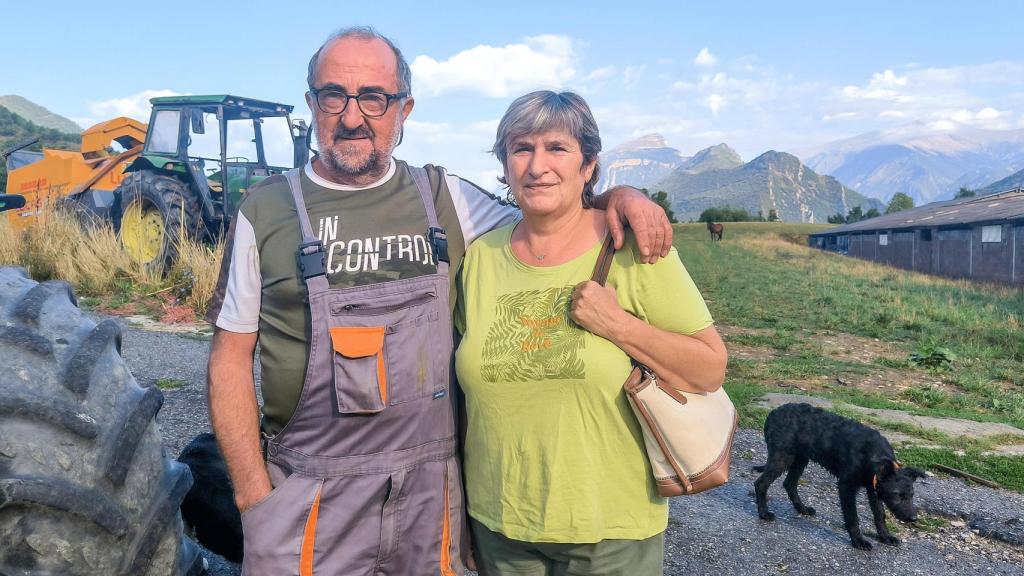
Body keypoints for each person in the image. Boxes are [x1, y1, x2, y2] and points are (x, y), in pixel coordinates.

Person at [205, 28, 673, 575]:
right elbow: (230, 357)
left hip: (428, 500)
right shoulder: (265, 210)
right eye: (334, 96)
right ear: (311, 103)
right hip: (307, 494)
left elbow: (551, 211)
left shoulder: (444, 198)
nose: (352, 117)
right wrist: (254, 497)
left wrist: (619, 196)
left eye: (374, 98)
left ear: (404, 109)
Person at [454, 90, 728, 576]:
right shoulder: (480, 258)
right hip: (500, 527)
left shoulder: (631, 248)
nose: (537, 165)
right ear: (504, 166)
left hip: (610, 532)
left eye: (557, 148)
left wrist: (618, 325)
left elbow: (710, 368)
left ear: (588, 166)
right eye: (521, 148)